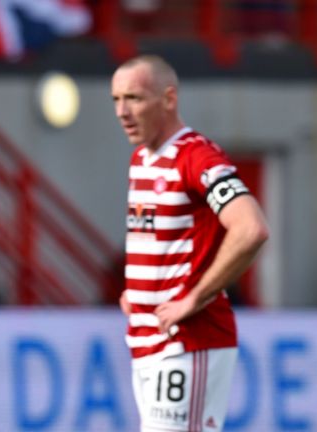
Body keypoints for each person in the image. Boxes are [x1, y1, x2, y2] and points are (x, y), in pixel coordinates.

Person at [111, 55, 269, 432]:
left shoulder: (197, 157)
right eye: (115, 100)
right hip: (147, 342)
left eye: (134, 98)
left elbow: (251, 228)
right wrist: (139, 291)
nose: (122, 111)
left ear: (169, 99)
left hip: (187, 341)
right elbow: (163, 239)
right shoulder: (142, 159)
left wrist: (194, 297)